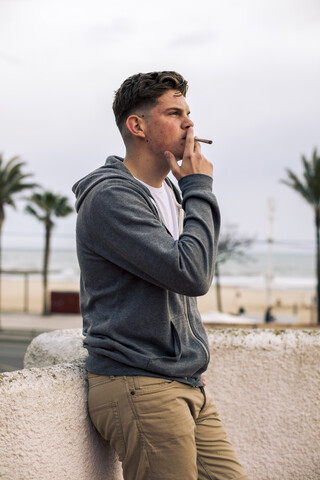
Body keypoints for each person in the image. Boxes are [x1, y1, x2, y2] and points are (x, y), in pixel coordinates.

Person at [73, 71, 249, 480]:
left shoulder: (170, 191)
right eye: (174, 113)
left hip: (186, 382)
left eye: (189, 113)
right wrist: (200, 187)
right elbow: (191, 273)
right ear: (137, 126)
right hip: (141, 385)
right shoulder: (111, 197)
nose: (190, 124)